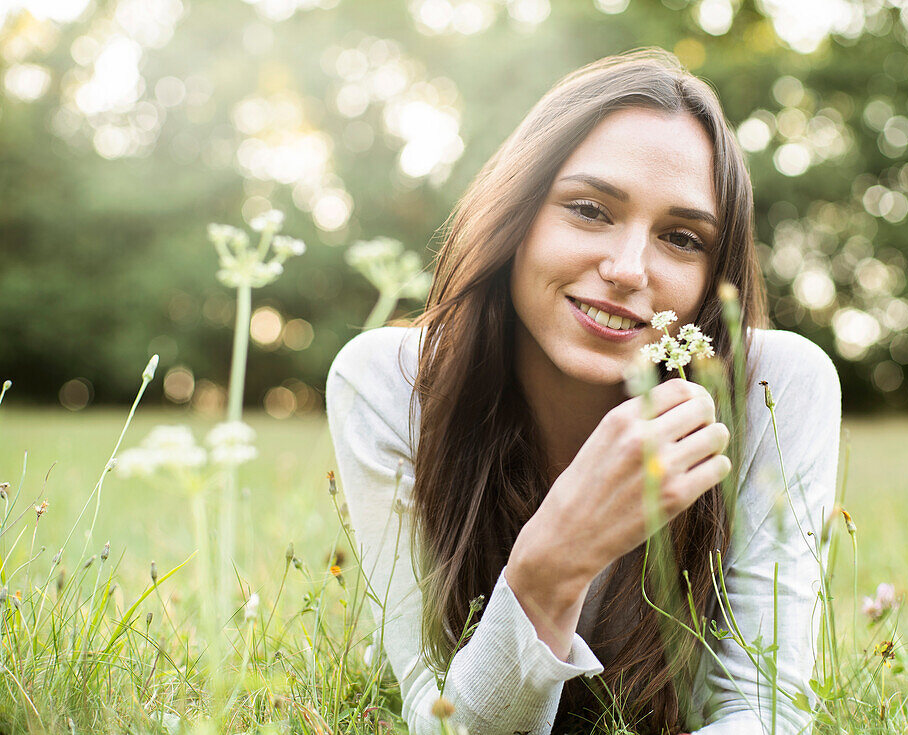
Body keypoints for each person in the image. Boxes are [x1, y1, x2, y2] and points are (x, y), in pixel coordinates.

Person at [326, 48, 841, 735]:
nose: (628, 270)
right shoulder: (389, 383)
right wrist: (552, 563)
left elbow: (766, 710)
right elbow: (444, 718)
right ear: (517, 213)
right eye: (591, 209)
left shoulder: (774, 388)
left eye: (681, 237)